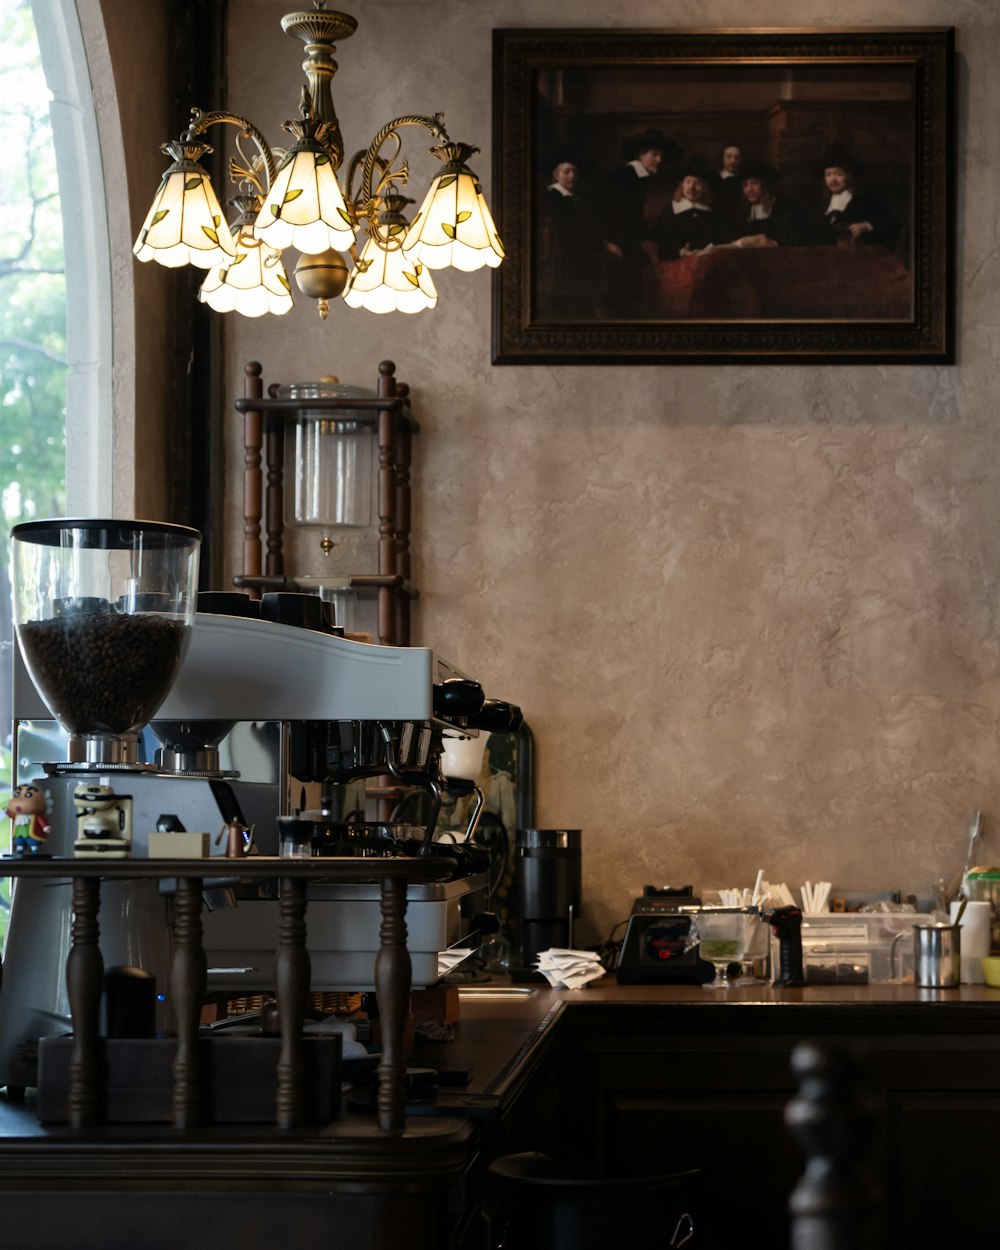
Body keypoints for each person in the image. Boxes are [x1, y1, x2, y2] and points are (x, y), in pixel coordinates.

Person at [600, 127, 682, 315]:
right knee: (621, 298)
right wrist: (608, 243)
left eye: (661, 155)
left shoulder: (639, 179)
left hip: (629, 245)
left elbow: (634, 218)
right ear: (641, 155)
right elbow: (606, 213)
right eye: (654, 155)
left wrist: (645, 238)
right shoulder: (621, 177)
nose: (659, 161)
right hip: (615, 246)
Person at [538, 157, 612, 318]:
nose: (572, 176)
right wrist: (602, 245)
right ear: (556, 175)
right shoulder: (552, 198)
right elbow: (571, 229)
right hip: (567, 256)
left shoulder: (574, 198)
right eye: (566, 172)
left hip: (580, 251)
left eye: (574, 172)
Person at [814, 143, 899, 251]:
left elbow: (891, 222)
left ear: (849, 176)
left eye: (839, 174)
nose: (832, 180)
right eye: (828, 174)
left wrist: (866, 226)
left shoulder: (865, 199)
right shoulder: (824, 204)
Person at [654, 157, 729, 260]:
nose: (691, 187)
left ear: (704, 188)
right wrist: (681, 252)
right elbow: (662, 243)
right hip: (676, 264)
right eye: (688, 182)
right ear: (682, 186)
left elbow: (721, 241)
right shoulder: (669, 211)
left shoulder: (711, 213)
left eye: (697, 183)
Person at [736, 161, 812, 246]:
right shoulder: (745, 210)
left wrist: (773, 243)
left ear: (765, 185)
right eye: (745, 185)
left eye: (755, 183)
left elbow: (796, 238)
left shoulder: (785, 206)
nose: (749, 189)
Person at [6, 782, 50, 855]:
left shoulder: (35, 816)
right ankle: (20, 848)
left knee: (33, 841)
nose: (20, 801)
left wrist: (45, 827)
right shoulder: (18, 816)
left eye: (28, 795)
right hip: (19, 832)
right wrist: (7, 812)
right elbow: (12, 816)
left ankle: (34, 849)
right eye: (17, 794)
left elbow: (41, 820)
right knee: (19, 840)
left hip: (32, 834)